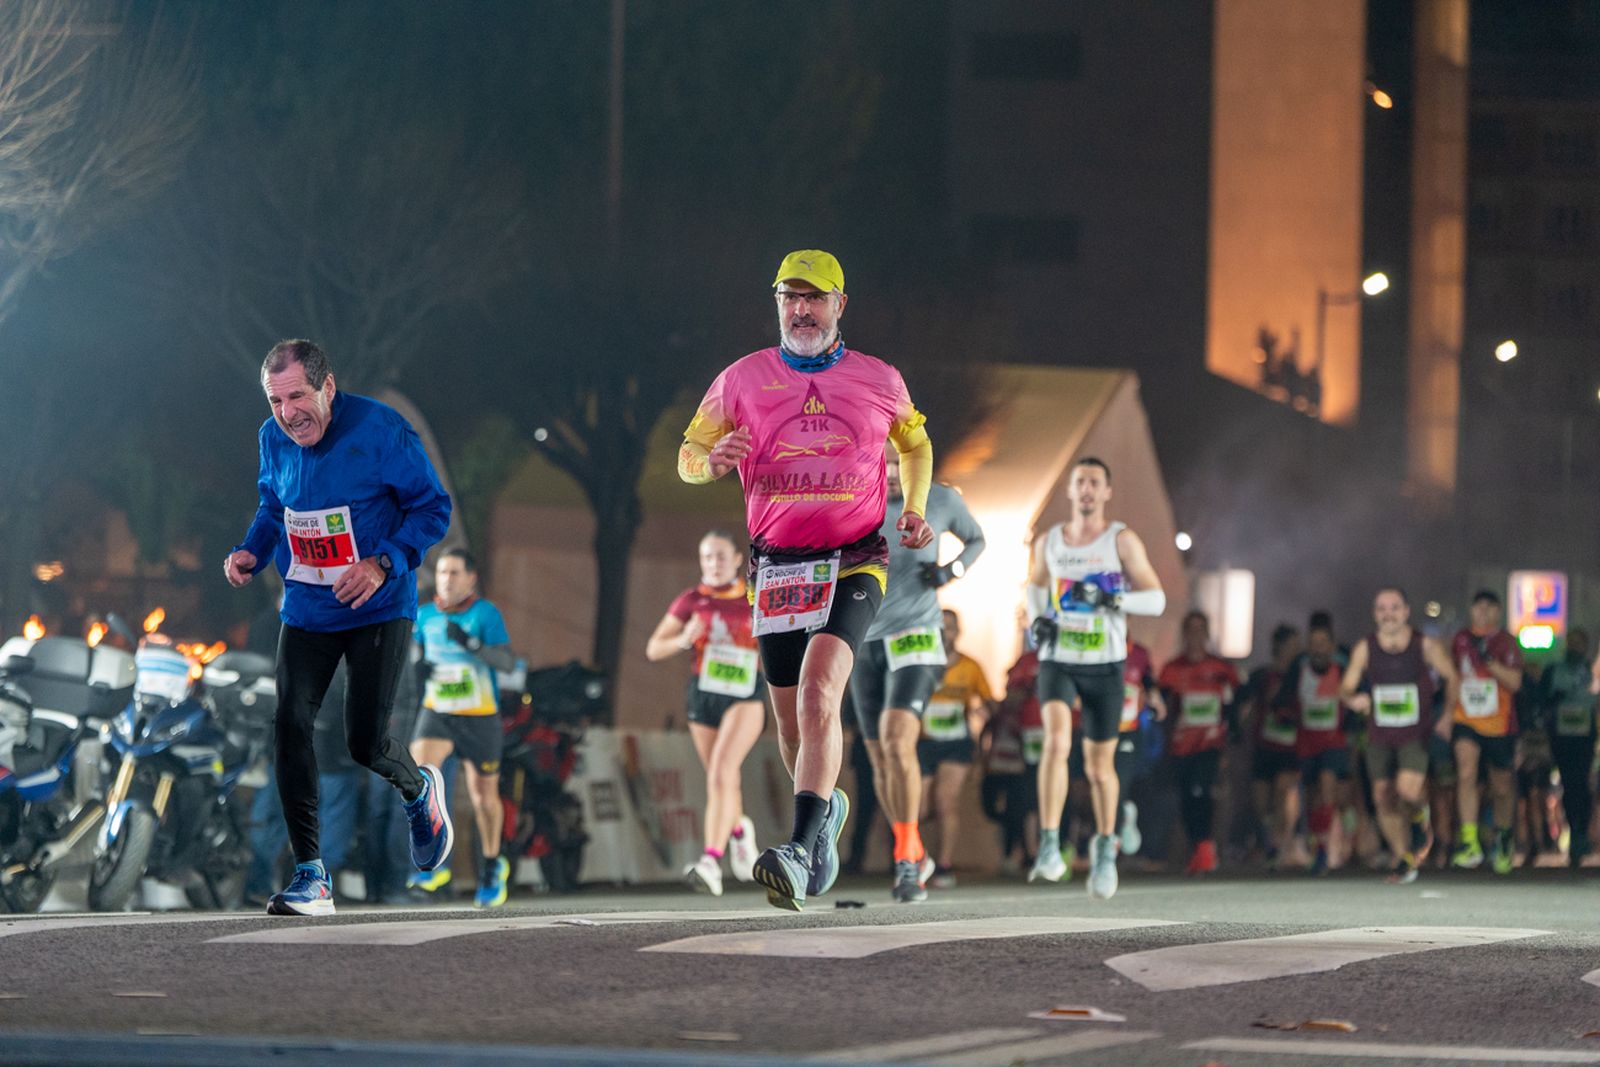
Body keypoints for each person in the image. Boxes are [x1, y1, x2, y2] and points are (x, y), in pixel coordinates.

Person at [677, 249, 934, 912]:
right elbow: (688, 455)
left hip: (855, 558)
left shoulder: (879, 378)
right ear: (777, 303)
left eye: (815, 298)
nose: (802, 310)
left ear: (839, 305)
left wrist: (918, 509)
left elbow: (917, 442)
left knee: (823, 687)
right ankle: (825, 813)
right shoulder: (740, 379)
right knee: (791, 723)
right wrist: (712, 462)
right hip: (776, 568)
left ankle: (795, 845)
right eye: (790, 297)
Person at [224, 339, 452, 916]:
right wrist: (252, 551)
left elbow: (433, 509)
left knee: (364, 742)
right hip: (307, 608)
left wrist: (382, 562)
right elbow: (273, 507)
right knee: (290, 724)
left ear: (327, 387)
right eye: (275, 401)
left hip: (378, 606)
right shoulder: (271, 438)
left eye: (297, 396)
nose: (287, 413)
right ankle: (311, 876)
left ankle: (418, 789)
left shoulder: (382, 430)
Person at [1024, 458, 1166, 898]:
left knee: (1100, 768)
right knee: (1056, 743)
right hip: (1059, 658)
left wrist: (1110, 598)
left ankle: (1105, 850)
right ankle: (1049, 847)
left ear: (1106, 492)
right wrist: (1037, 623)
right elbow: (1034, 585)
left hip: (1105, 663)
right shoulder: (1049, 541)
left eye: (1094, 483)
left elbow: (1157, 599)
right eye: (1079, 482)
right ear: (1070, 490)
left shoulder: (1120, 540)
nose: (1086, 490)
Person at [850, 450, 985, 904]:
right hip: (864, 642)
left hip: (917, 637)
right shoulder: (849, 500)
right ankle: (913, 846)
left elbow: (976, 541)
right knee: (879, 759)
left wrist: (950, 572)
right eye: (878, 463)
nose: (887, 474)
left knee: (896, 738)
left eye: (895, 464)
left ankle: (906, 857)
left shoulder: (940, 500)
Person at [645, 530, 766, 897]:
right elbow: (654, 648)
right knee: (722, 781)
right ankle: (741, 831)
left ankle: (711, 860)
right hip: (704, 695)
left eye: (720, 556)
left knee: (721, 771)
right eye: (706, 557)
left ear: (736, 560)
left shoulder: (755, 596)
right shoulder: (691, 600)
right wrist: (684, 638)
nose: (713, 564)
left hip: (745, 695)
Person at [412, 548, 516, 908]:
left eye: (455, 573)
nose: (447, 579)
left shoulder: (485, 613)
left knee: (483, 798)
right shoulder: (424, 616)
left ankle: (491, 866)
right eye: (442, 572)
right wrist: (417, 668)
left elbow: (506, 662)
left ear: (471, 578)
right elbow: (414, 656)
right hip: (437, 710)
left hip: (480, 713)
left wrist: (471, 644)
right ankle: (432, 864)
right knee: (418, 778)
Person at [1340, 587, 1459, 884]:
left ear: (1406, 611)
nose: (1388, 614)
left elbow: (1452, 676)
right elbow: (1345, 687)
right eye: (1382, 608)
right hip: (1379, 733)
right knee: (1382, 797)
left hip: (1414, 733)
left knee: (1406, 792)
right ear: (1374, 614)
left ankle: (1420, 818)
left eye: (1394, 608)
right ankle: (1404, 857)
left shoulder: (1424, 645)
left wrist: (1447, 716)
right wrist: (1353, 699)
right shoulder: (1365, 648)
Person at [1158, 611, 1240, 875]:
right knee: (1187, 796)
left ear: (1206, 633)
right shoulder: (1172, 669)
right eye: (1190, 629)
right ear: (1184, 633)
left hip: (1211, 744)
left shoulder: (1221, 669)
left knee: (1202, 790)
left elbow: (1239, 700)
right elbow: (1162, 706)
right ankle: (1198, 847)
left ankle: (1206, 849)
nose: (1195, 635)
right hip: (1182, 745)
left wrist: (1231, 729)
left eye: (1200, 629)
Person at [917, 610, 994, 890]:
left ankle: (944, 866)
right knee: (920, 809)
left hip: (956, 743)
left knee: (946, 802)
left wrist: (987, 718)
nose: (944, 633)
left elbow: (990, 702)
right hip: (923, 742)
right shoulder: (920, 661)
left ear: (957, 632)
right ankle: (917, 859)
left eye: (949, 628)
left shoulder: (970, 667)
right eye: (939, 627)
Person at [1446, 590, 1523, 874]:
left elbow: (1515, 683)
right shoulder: (1460, 639)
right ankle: (1469, 842)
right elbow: (1453, 676)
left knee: (1501, 786)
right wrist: (1445, 715)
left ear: (1498, 612)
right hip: (1465, 718)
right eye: (1477, 607)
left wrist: (1489, 662)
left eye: (1489, 608)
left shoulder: (1507, 642)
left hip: (1499, 723)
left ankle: (1503, 837)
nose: (1482, 613)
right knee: (1466, 772)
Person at [1278, 614, 1351, 874]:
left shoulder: (1343, 666)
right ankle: (1317, 843)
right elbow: (1284, 697)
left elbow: (1355, 694)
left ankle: (1329, 846)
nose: (1318, 646)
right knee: (1310, 796)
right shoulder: (1299, 666)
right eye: (1314, 642)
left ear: (1331, 645)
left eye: (1323, 642)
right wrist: (1285, 713)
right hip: (1306, 742)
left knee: (1329, 788)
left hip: (1334, 741)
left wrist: (1354, 722)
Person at [1240, 624, 1302, 868]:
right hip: (1264, 748)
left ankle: (1281, 844)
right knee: (1262, 803)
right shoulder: (1262, 676)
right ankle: (1268, 842)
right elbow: (1247, 707)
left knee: (1285, 792)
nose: (1297, 651)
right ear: (1280, 647)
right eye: (1292, 646)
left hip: (1291, 749)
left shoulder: (1301, 675)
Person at [1546, 629, 1597, 866]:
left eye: (1580, 642)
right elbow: (1543, 699)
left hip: (1584, 736)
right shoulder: (1555, 670)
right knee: (1568, 782)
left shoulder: (1591, 671)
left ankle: (1580, 833)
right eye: (1572, 642)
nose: (1575, 647)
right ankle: (1573, 831)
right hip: (1562, 737)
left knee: (1582, 783)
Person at [1112, 638, 1164, 856]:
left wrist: (1157, 701)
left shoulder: (1140, 654)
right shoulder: (1094, 646)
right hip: (1097, 730)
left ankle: (1111, 839)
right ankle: (1122, 817)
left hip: (1127, 730)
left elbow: (1150, 684)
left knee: (1117, 782)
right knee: (1096, 782)